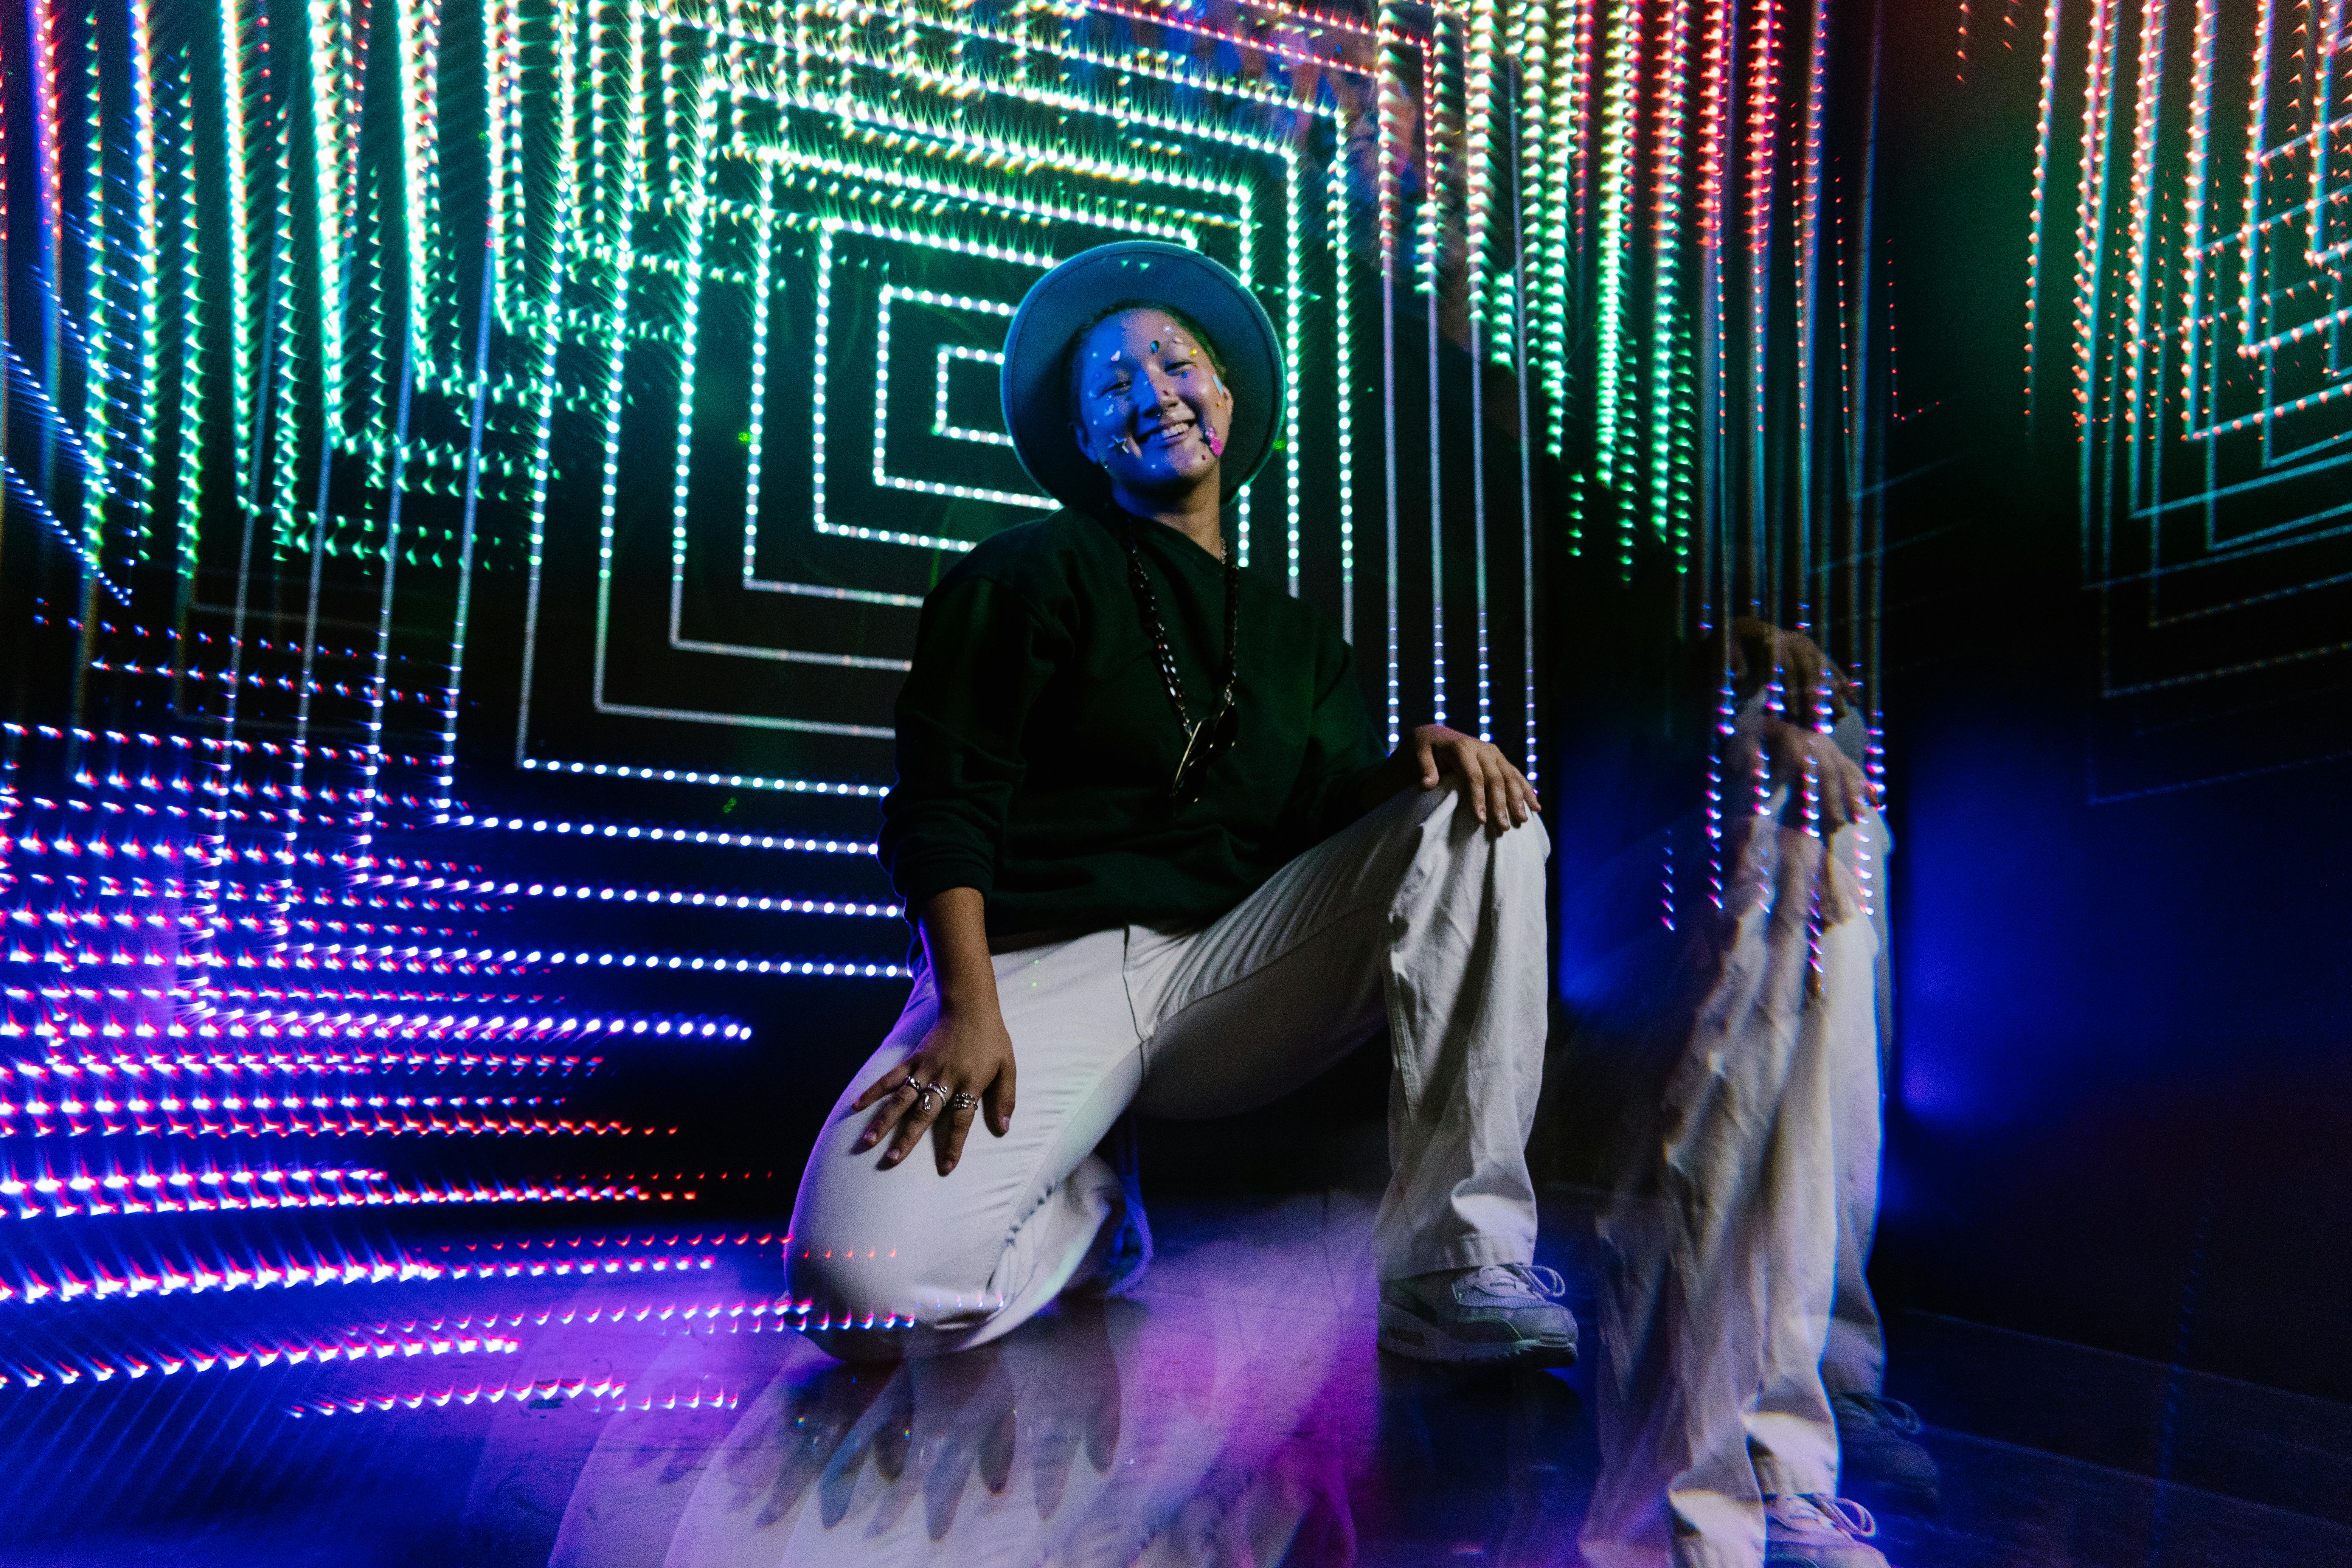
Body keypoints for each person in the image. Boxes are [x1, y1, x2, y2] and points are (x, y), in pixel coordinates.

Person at [783, 241, 1571, 1369]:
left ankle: (1453, 1265)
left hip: (1222, 974)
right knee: (859, 1293)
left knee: (1481, 816)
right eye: (1113, 385)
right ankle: (1090, 1199)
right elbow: (941, 801)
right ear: (1087, 438)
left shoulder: (1301, 642)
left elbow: (1313, 833)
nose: (1151, 392)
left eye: (1173, 363)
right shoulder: (1022, 573)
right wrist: (965, 1004)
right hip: (1032, 971)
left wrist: (1416, 762)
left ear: (1226, 396)